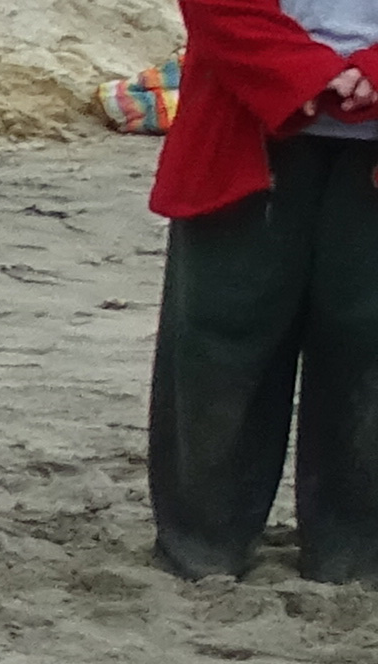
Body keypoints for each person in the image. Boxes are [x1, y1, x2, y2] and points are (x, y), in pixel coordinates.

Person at [153, 0, 378, 580]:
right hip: (243, 118)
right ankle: (203, 544)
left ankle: (357, 552)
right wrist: (293, 69)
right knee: (221, 336)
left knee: (371, 345)